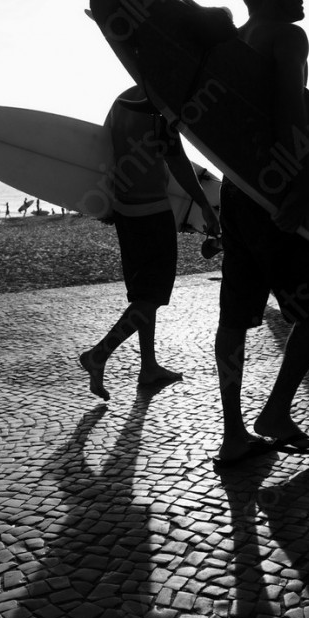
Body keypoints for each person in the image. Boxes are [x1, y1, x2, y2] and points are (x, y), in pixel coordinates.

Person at [213, 0, 309, 469]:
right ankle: (275, 413)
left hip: (237, 190)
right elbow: (293, 109)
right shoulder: (287, 38)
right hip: (279, 191)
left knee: (234, 316)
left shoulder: (235, 40)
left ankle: (233, 433)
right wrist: (302, 187)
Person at [79, 84, 221, 401]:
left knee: (144, 295)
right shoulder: (161, 108)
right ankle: (99, 354)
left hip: (125, 213)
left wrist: (105, 206)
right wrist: (205, 205)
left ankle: (148, 366)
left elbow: (104, 154)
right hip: (152, 213)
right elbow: (178, 161)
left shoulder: (119, 103)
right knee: (151, 298)